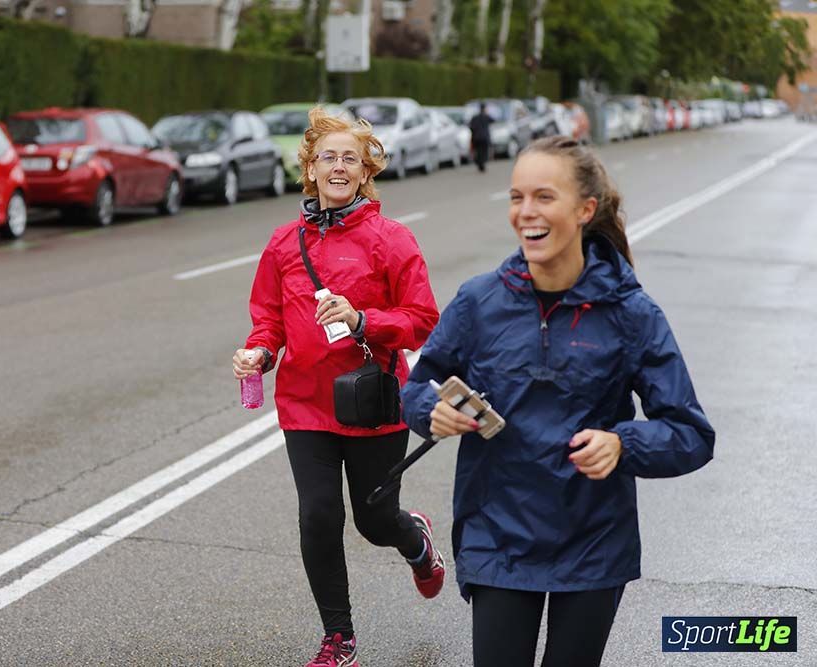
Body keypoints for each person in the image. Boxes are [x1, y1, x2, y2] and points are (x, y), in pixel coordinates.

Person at [400, 136, 715, 667]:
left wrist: (623, 443)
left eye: (544, 197)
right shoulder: (480, 302)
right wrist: (430, 411)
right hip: (498, 534)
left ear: (585, 209)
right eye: (516, 197)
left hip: (593, 542)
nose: (526, 211)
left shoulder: (631, 313)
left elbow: (691, 434)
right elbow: (416, 385)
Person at [232, 107, 444, 667]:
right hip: (305, 405)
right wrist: (258, 353)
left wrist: (363, 320)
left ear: (366, 171)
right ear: (311, 169)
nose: (339, 167)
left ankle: (416, 541)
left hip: (373, 403)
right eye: (328, 157)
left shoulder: (391, 239)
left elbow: (423, 319)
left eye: (351, 158)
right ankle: (338, 638)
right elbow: (269, 319)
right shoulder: (284, 243)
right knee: (319, 516)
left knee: (375, 522)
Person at [468, 104, 492, 172]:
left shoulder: (475, 117)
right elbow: (493, 120)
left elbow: (471, 126)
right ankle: (482, 163)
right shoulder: (486, 116)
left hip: (476, 138)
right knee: (484, 152)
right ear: (484, 109)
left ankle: (479, 163)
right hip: (484, 138)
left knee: (478, 151)